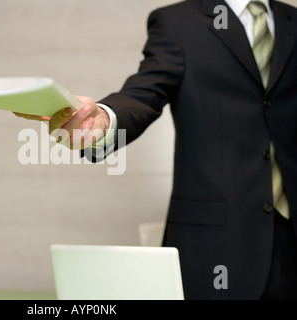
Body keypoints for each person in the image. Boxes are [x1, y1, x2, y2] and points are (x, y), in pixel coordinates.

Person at [15, 0, 297, 299]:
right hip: (218, 245)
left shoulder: (291, 19)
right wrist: (105, 119)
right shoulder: (178, 21)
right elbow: (144, 94)